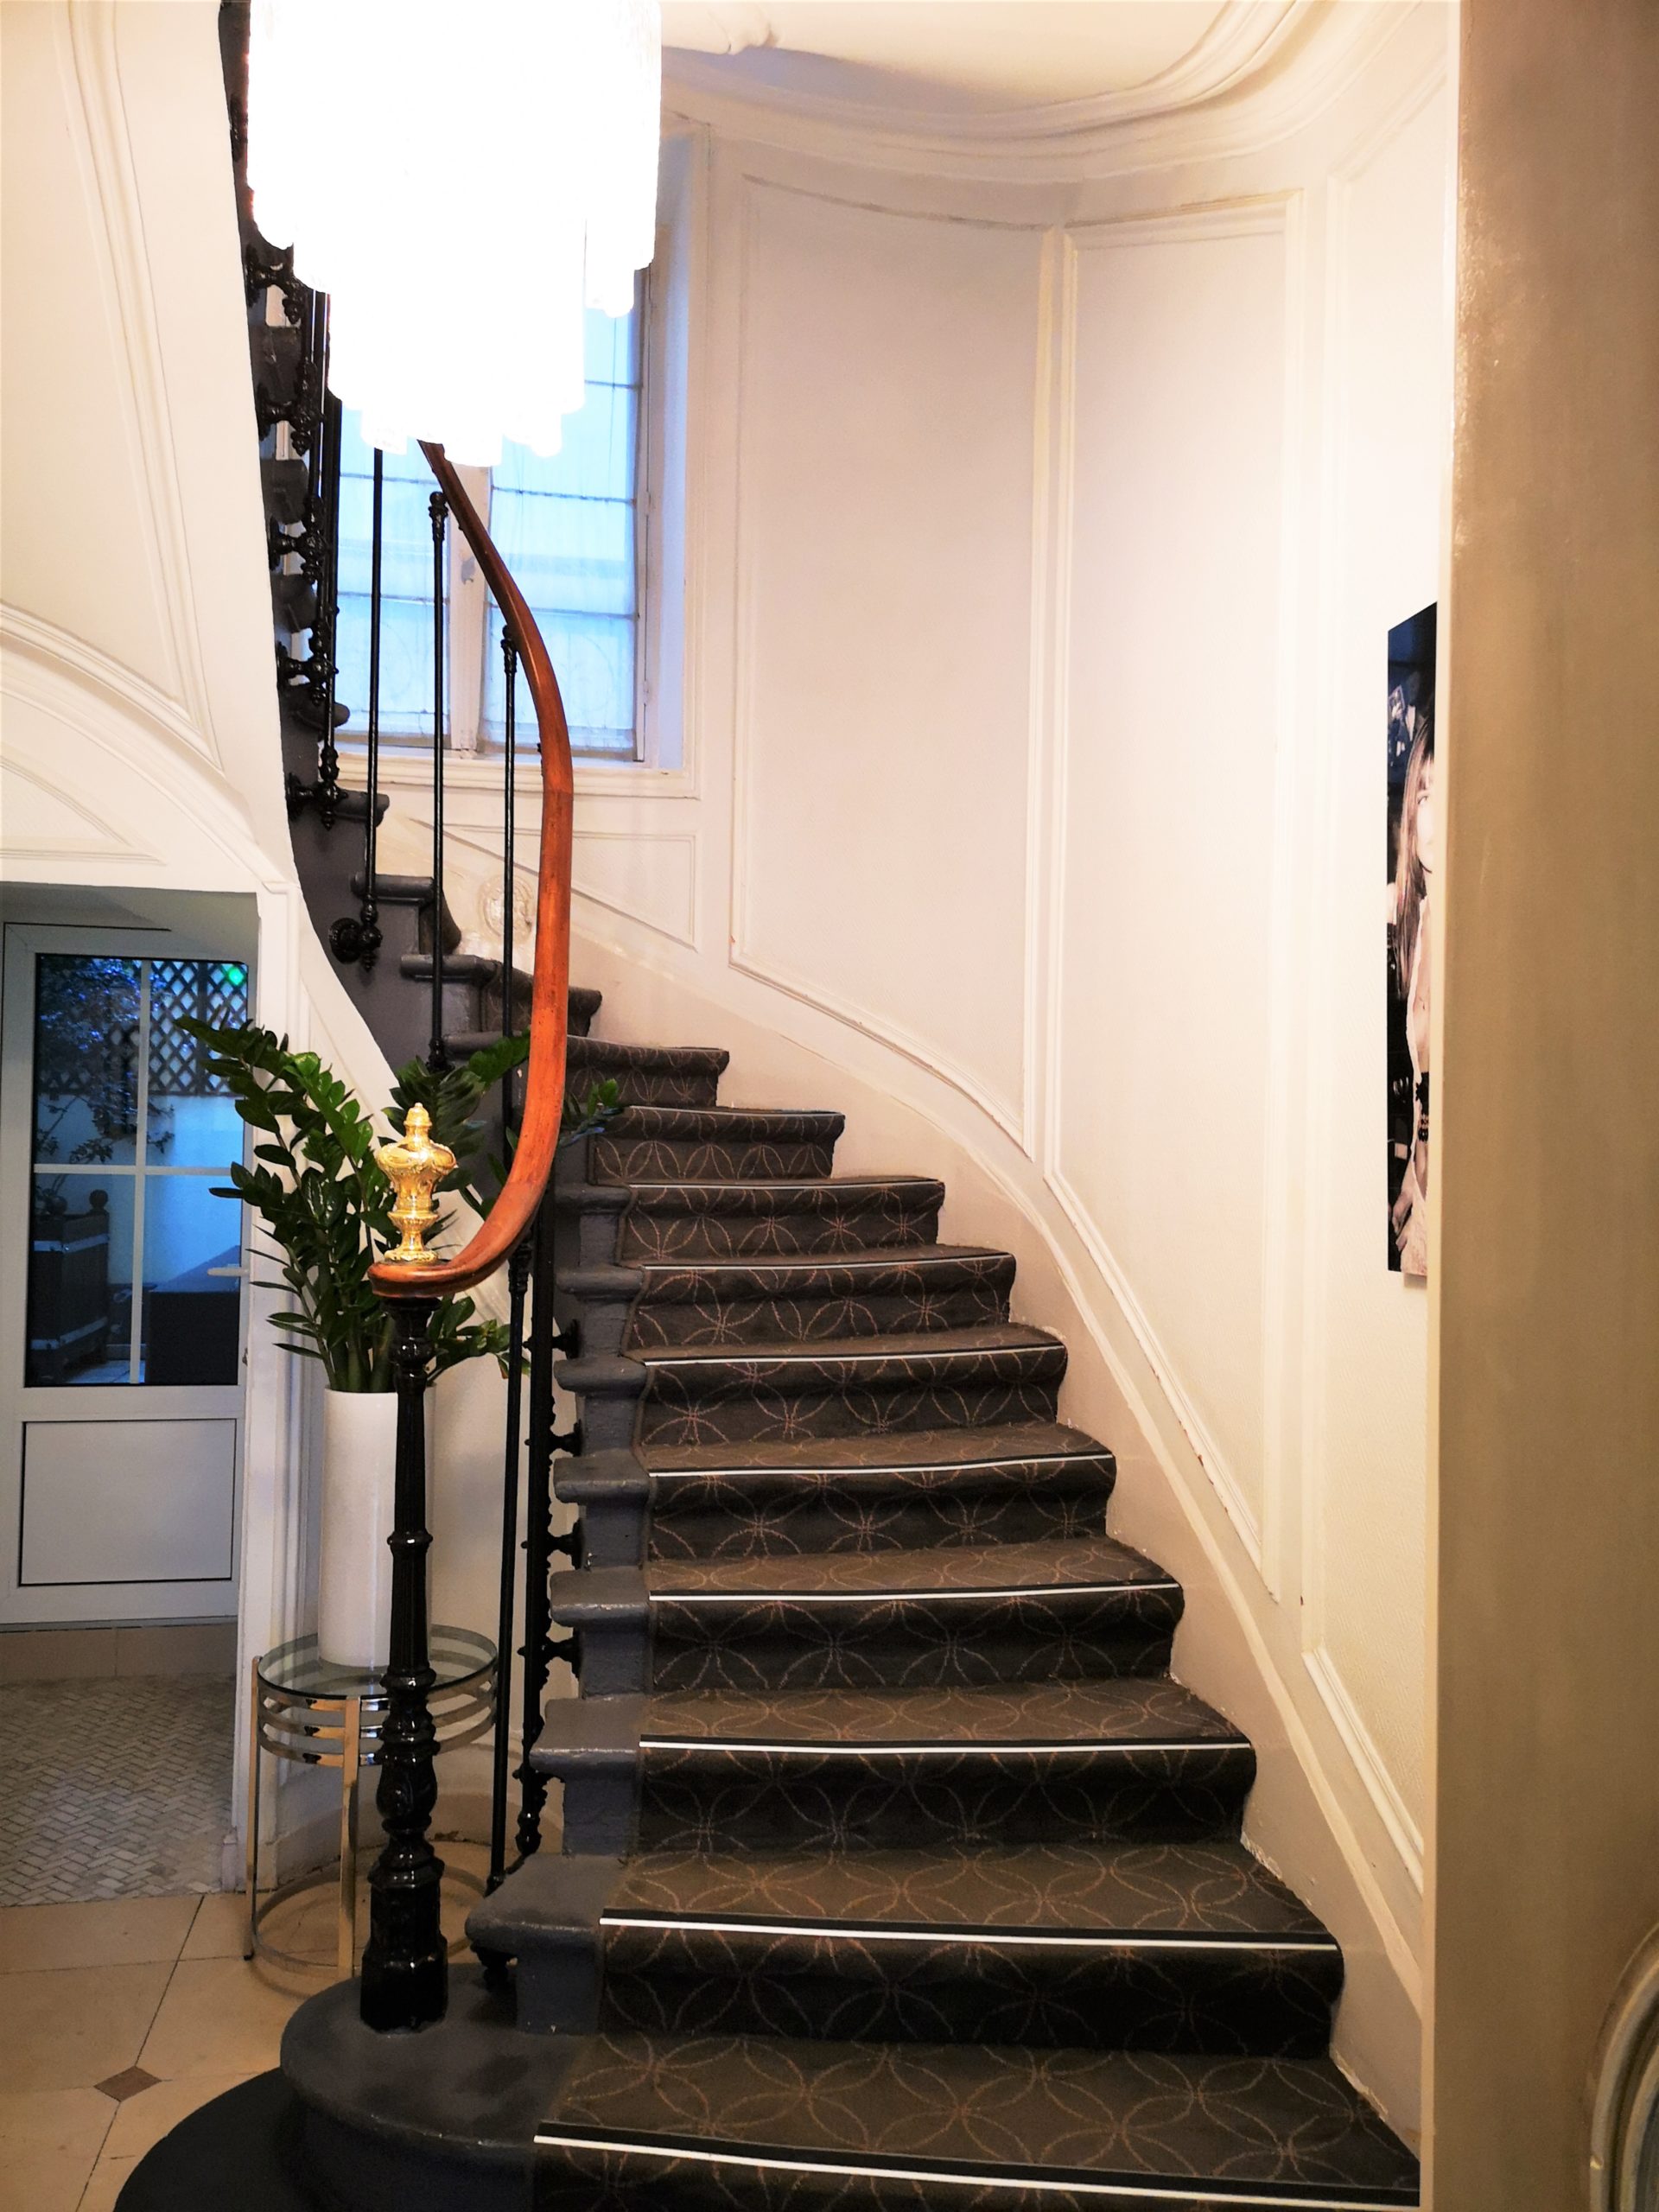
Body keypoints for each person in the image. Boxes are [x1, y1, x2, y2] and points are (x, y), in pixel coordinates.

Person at [1389, 720, 1434, 1275]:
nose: (1435, 817)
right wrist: (1408, 1178)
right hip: (1422, 1203)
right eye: (1425, 795)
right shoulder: (1420, 920)